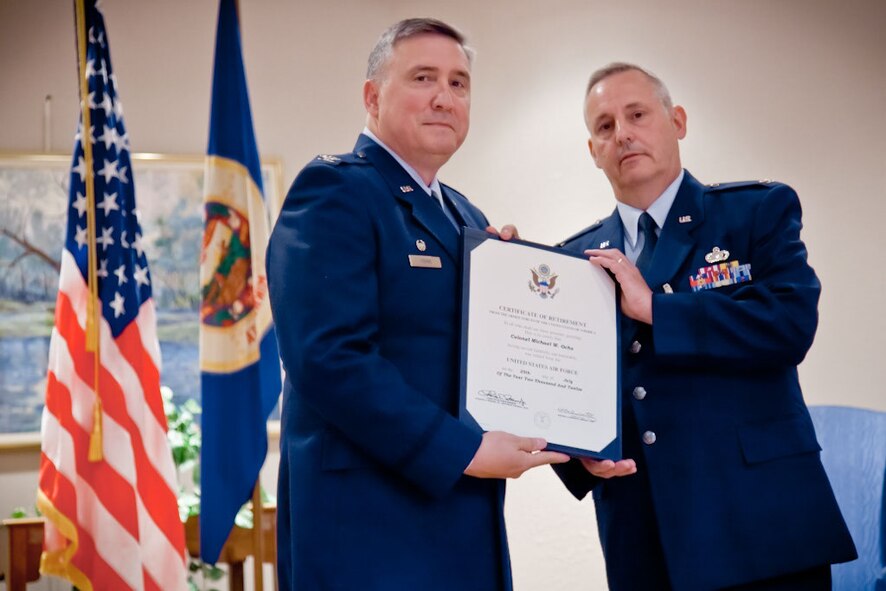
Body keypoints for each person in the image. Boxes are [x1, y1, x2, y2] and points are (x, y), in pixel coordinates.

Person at [267, 18, 568, 590]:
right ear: (372, 97)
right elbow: (329, 359)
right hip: (369, 526)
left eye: (459, 83)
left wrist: (576, 441)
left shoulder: (467, 217)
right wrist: (464, 451)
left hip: (459, 518)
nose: (444, 96)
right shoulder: (337, 192)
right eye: (423, 77)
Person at [554, 62, 857, 590]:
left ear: (677, 121)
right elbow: (563, 381)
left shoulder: (755, 211)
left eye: (638, 114)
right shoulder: (572, 260)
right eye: (604, 126)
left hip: (760, 522)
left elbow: (789, 325)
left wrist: (657, 309)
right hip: (643, 531)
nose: (622, 132)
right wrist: (579, 454)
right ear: (593, 151)